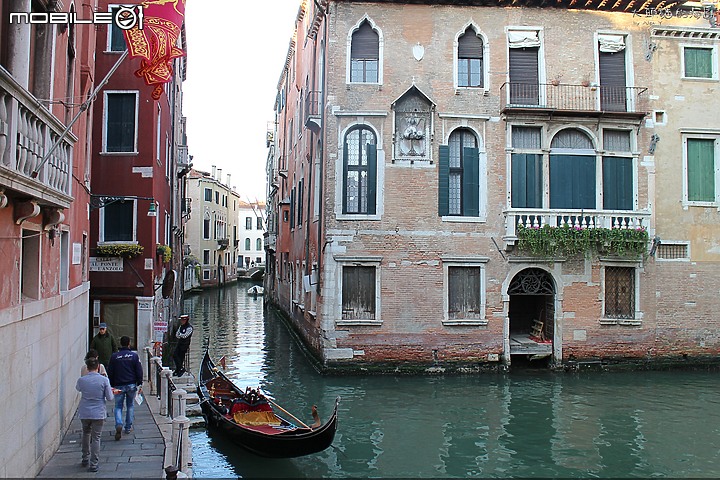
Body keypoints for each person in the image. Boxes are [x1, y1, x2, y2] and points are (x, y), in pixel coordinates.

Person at [75, 356, 114, 472]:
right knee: (96, 437)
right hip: (98, 412)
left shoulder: (82, 380)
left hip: (85, 411)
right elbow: (110, 397)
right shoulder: (104, 380)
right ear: (98, 367)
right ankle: (94, 463)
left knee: (86, 433)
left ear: (87, 367)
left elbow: (78, 389)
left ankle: (85, 457)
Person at [107, 336, 143, 441]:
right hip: (131, 384)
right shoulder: (134, 356)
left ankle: (119, 423)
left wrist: (112, 384)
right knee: (130, 405)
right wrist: (139, 383)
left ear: (120, 344)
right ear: (129, 344)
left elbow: (111, 372)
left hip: (118, 385)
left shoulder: (114, 356)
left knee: (118, 406)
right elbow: (139, 371)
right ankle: (128, 427)